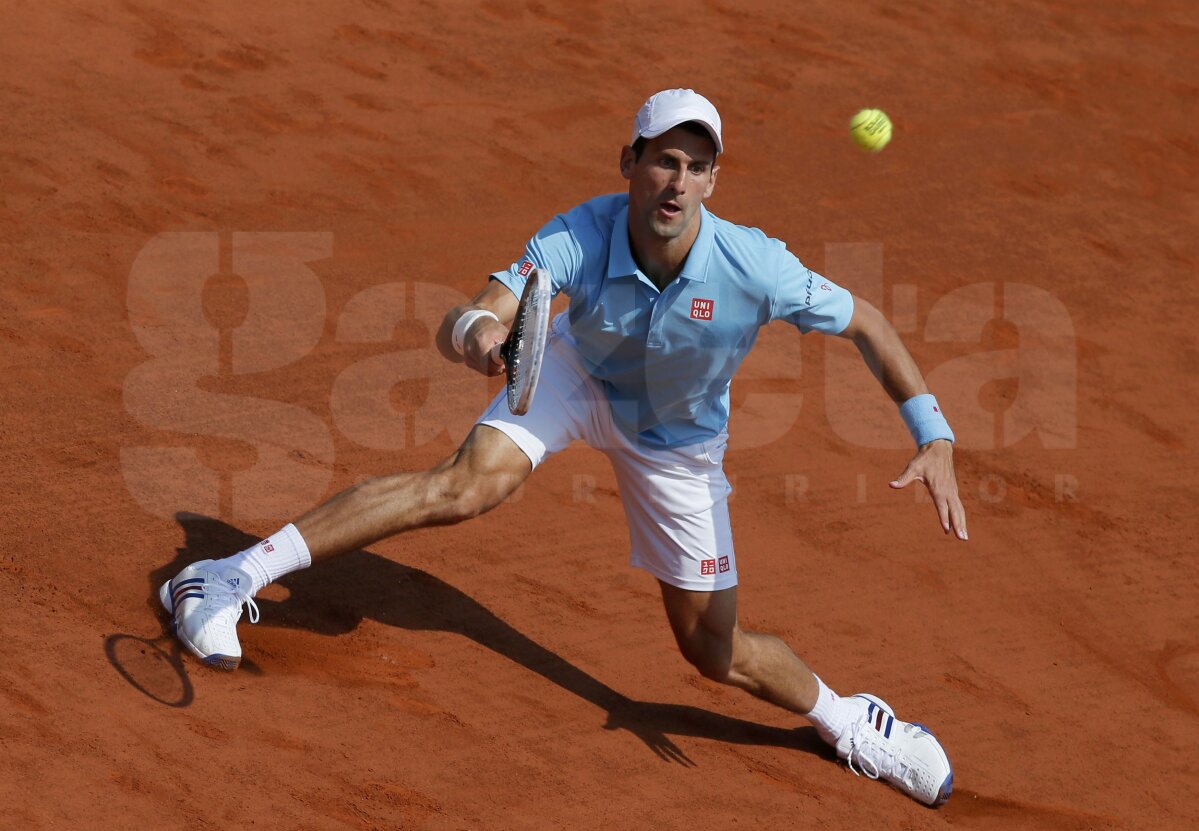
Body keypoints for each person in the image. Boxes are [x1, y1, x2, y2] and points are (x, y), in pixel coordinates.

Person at [161, 89, 967, 807]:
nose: (677, 183)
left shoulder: (756, 265)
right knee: (463, 488)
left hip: (677, 443)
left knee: (712, 650)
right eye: (662, 161)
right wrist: (482, 337)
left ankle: (847, 720)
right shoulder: (578, 233)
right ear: (631, 162)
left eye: (695, 166)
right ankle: (224, 575)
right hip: (577, 375)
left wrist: (932, 432)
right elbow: (473, 314)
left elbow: (865, 320)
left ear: (713, 181)